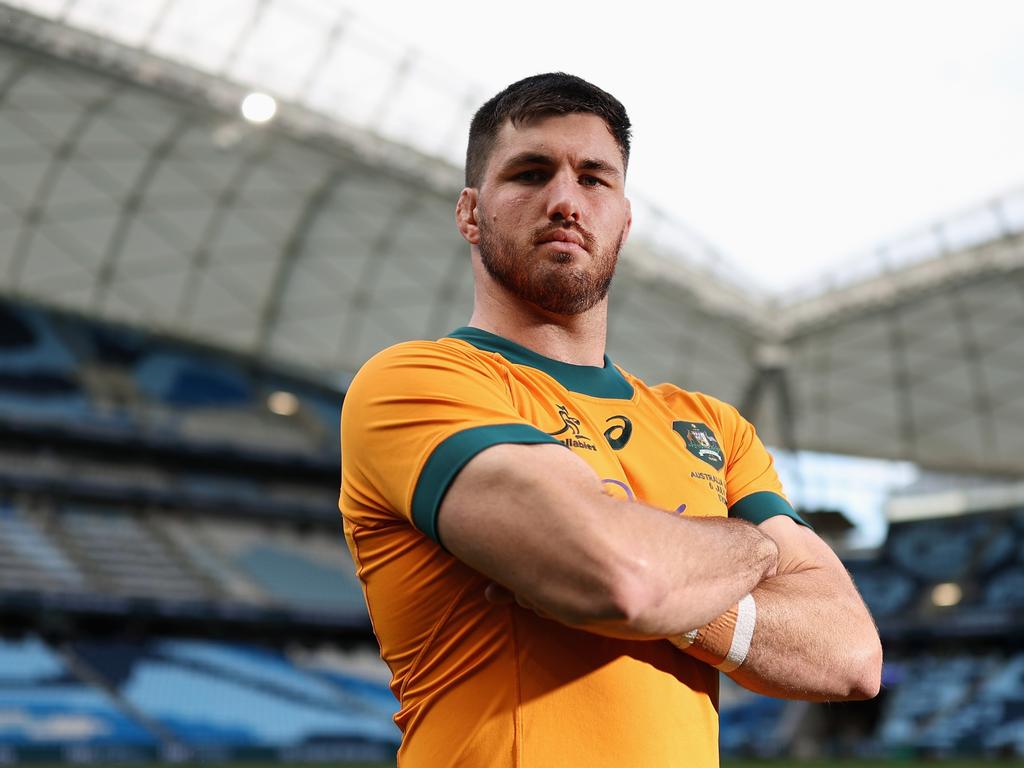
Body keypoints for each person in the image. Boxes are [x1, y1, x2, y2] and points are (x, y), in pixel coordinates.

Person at [340, 72, 881, 767]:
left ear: (623, 219)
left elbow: (852, 656)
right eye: (531, 173)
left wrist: (663, 577)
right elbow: (621, 580)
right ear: (470, 213)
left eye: (594, 179)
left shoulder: (714, 427)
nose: (565, 200)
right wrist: (757, 551)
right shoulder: (416, 381)